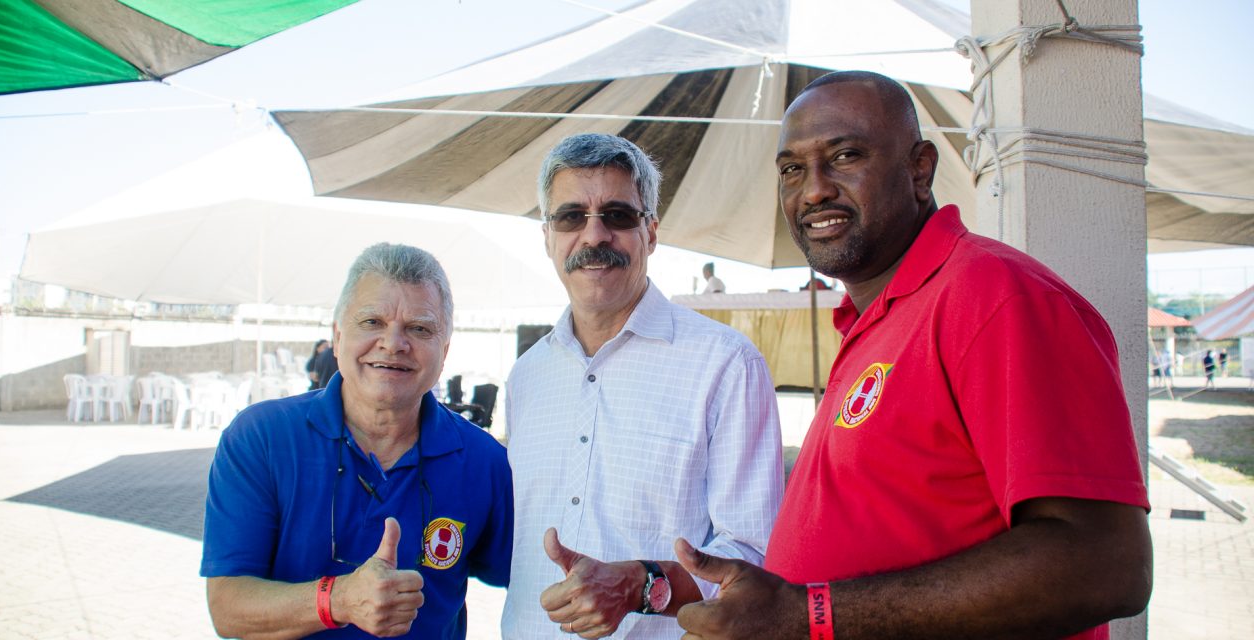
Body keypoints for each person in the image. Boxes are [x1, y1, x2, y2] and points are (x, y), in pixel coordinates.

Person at [672, 71, 1151, 640]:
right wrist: (666, 585)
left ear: (919, 169)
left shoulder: (994, 296)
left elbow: (1105, 563)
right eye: (791, 169)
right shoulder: (880, 314)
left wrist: (808, 617)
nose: (814, 190)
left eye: (845, 155)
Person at [501, 133, 784, 639]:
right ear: (547, 236)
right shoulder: (527, 375)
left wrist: (641, 585)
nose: (593, 235)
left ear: (650, 232)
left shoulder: (725, 364)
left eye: (617, 215)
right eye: (571, 217)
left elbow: (753, 556)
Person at [201, 243, 513, 639]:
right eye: (371, 322)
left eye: (419, 328)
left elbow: (530, 576)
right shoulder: (261, 438)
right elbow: (229, 608)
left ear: (444, 350)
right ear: (337, 335)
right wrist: (341, 599)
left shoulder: (484, 461)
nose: (393, 343)